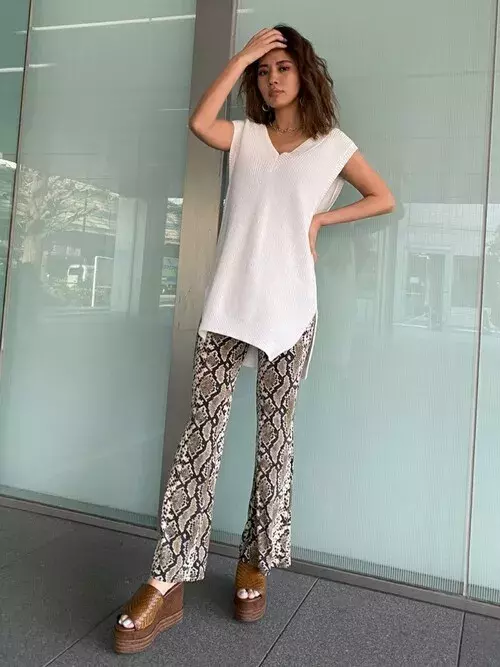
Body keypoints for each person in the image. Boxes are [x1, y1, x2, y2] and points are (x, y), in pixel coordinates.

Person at [114, 24, 394, 655]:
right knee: (200, 440)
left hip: (292, 311)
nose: (272, 79)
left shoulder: (332, 146)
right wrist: (240, 54)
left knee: (275, 441)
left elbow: (383, 197)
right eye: (263, 71)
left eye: (282, 67)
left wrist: (322, 219)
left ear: (304, 73)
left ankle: (254, 561)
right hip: (228, 305)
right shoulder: (242, 137)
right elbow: (199, 122)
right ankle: (167, 579)